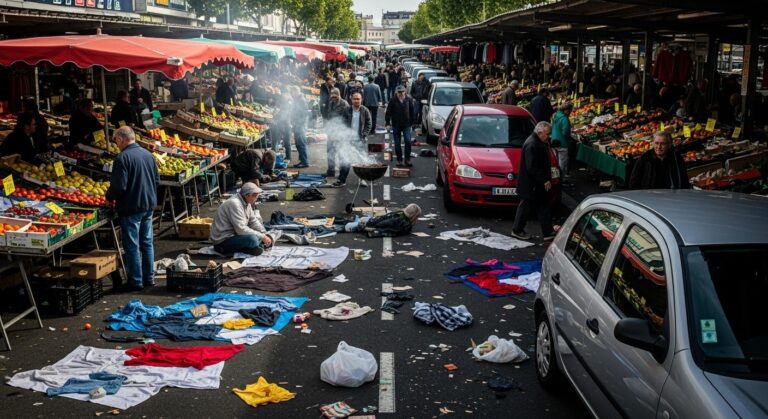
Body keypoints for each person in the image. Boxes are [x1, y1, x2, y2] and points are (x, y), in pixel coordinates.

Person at [106, 126, 159, 291]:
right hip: (148, 204)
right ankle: (149, 277)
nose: (117, 145)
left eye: (116, 142)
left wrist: (109, 197)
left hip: (131, 207)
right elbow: (157, 180)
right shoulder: (148, 155)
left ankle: (136, 281)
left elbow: (119, 186)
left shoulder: (122, 158)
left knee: (132, 245)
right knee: (147, 242)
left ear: (121, 139)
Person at [511, 121, 556, 241]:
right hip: (531, 183)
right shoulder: (532, 144)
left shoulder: (538, 142)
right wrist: (544, 179)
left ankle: (547, 231)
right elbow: (532, 167)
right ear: (540, 133)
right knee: (527, 206)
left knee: (541, 206)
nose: (549, 136)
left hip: (534, 183)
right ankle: (517, 230)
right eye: (547, 134)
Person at [210, 182, 273, 256]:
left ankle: (250, 248)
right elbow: (241, 230)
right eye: (255, 196)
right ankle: (250, 248)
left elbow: (253, 221)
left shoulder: (246, 202)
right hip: (222, 241)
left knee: (265, 231)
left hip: (235, 235)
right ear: (248, 195)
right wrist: (262, 236)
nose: (257, 198)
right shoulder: (235, 204)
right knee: (253, 239)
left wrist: (264, 233)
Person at [334, 92, 372, 187]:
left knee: (361, 161)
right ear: (351, 100)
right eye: (354, 99)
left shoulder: (365, 110)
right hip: (347, 139)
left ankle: (362, 180)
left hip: (360, 140)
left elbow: (369, 123)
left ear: (361, 100)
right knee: (345, 160)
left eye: (358, 99)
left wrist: (364, 134)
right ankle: (341, 180)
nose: (356, 101)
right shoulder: (346, 110)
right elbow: (341, 123)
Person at [385, 85, 414, 167]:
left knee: (408, 141)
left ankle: (407, 159)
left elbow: (412, 111)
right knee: (397, 143)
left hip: (406, 124)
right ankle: (399, 160)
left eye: (402, 92)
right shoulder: (393, 100)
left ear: (405, 92)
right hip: (396, 124)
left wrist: (412, 122)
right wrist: (387, 123)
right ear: (396, 93)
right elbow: (388, 112)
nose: (401, 93)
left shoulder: (409, 99)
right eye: (399, 92)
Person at [325, 88, 349, 178]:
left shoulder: (344, 104)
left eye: (334, 95)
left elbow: (347, 119)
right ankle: (331, 171)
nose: (332, 97)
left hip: (340, 133)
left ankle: (341, 173)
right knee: (330, 152)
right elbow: (329, 116)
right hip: (331, 132)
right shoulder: (331, 103)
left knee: (340, 153)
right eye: (331, 95)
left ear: (338, 94)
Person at [550, 103, 574, 177]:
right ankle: (560, 177)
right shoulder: (564, 118)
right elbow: (565, 132)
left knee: (555, 161)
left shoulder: (555, 115)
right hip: (562, 142)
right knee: (562, 161)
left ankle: (555, 176)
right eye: (570, 110)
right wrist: (570, 137)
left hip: (554, 140)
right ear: (566, 110)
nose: (570, 112)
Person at [290, 86, 309, 168]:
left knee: (301, 143)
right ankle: (302, 161)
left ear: (297, 92)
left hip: (300, 125)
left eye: (293, 92)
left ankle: (305, 162)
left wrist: (298, 124)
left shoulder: (301, 100)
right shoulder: (297, 100)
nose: (292, 94)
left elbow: (304, 114)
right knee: (298, 144)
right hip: (297, 124)